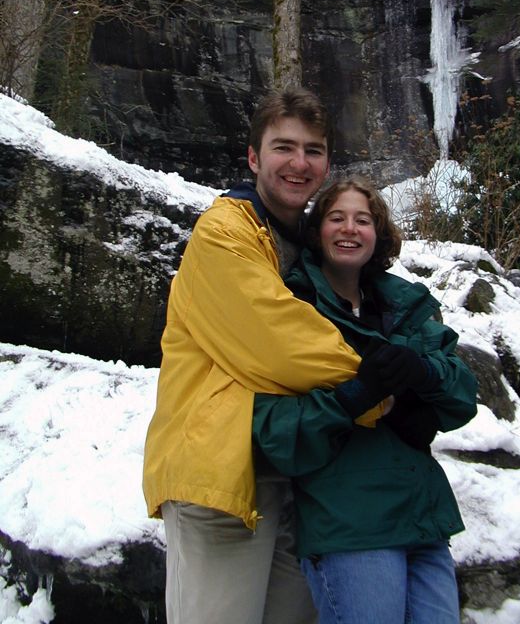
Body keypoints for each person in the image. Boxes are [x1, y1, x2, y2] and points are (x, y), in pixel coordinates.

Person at [142, 90, 406, 624]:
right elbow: (279, 343)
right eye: (283, 146)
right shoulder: (225, 231)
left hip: (293, 466)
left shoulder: (300, 246)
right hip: (220, 471)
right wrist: (385, 389)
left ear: (328, 163)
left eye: (314, 150)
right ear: (254, 157)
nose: (299, 162)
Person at [252, 177, 478, 624]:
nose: (349, 229)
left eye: (363, 220)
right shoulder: (290, 306)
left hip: (424, 520)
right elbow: (271, 427)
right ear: (317, 231)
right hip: (350, 528)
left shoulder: (405, 304)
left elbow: (463, 394)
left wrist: (423, 372)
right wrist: (357, 396)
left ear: (379, 234)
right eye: (336, 218)